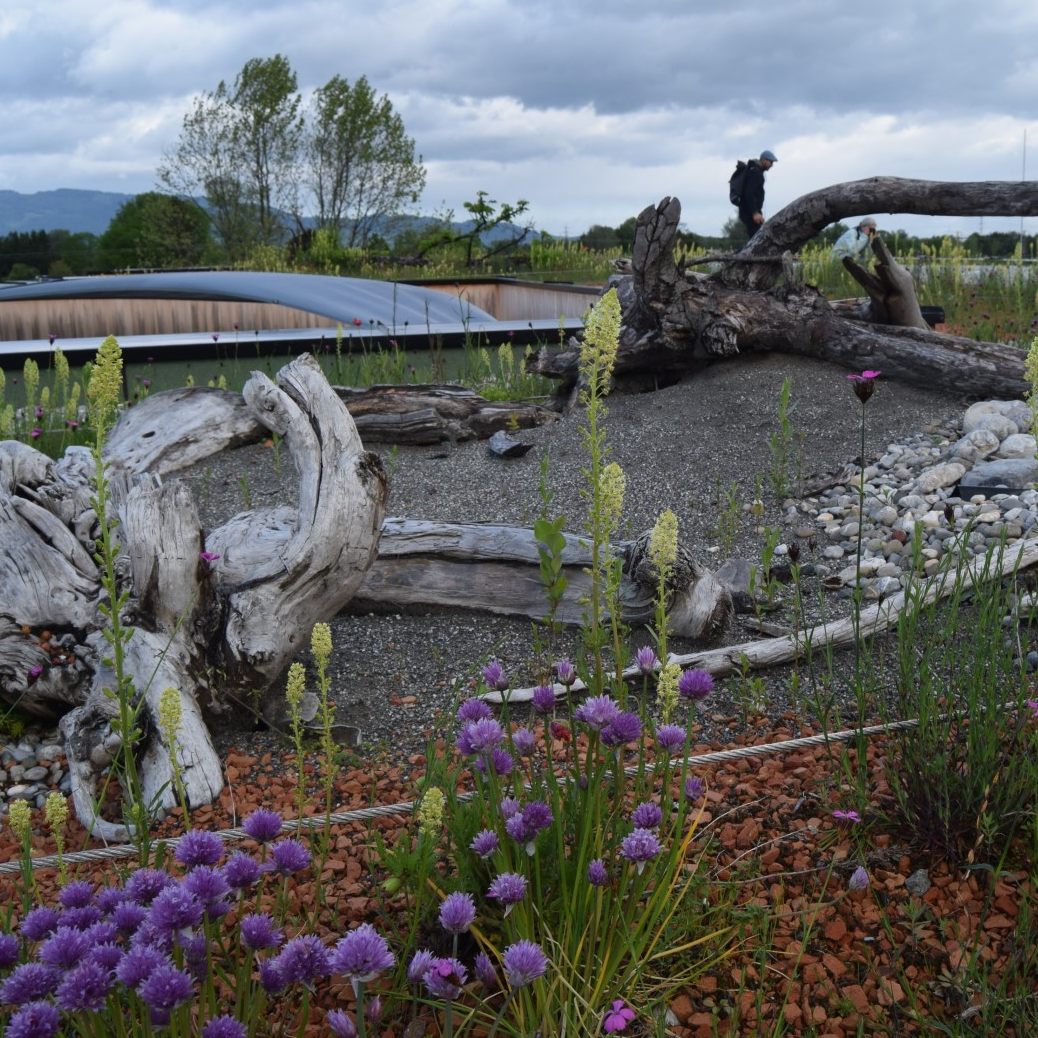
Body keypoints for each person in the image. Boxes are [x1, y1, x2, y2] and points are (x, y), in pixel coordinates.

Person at [737, 149, 777, 239]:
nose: (772, 165)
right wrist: (755, 213)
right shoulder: (755, 172)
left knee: (756, 238)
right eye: (771, 162)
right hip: (750, 213)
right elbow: (749, 193)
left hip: (750, 212)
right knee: (757, 239)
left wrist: (757, 212)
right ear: (764, 160)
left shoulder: (755, 170)